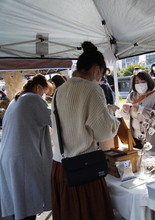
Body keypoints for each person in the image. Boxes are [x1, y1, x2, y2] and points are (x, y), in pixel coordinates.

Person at [50, 41, 120, 220]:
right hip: (82, 167)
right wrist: (112, 116)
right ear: (97, 69)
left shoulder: (60, 90)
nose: (101, 79)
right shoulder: (92, 88)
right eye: (102, 74)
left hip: (59, 165)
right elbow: (104, 133)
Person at [0, 74, 53, 220]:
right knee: (26, 202)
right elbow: (54, 119)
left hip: (9, 157)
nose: (44, 97)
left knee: (18, 203)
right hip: (21, 158)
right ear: (37, 88)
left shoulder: (16, 101)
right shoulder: (32, 99)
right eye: (44, 93)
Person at [120, 71, 155, 155]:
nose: (139, 84)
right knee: (138, 162)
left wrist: (141, 109)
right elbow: (126, 117)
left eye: (143, 81)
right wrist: (124, 110)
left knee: (153, 163)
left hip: (152, 138)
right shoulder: (132, 95)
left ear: (148, 81)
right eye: (137, 82)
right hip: (134, 138)